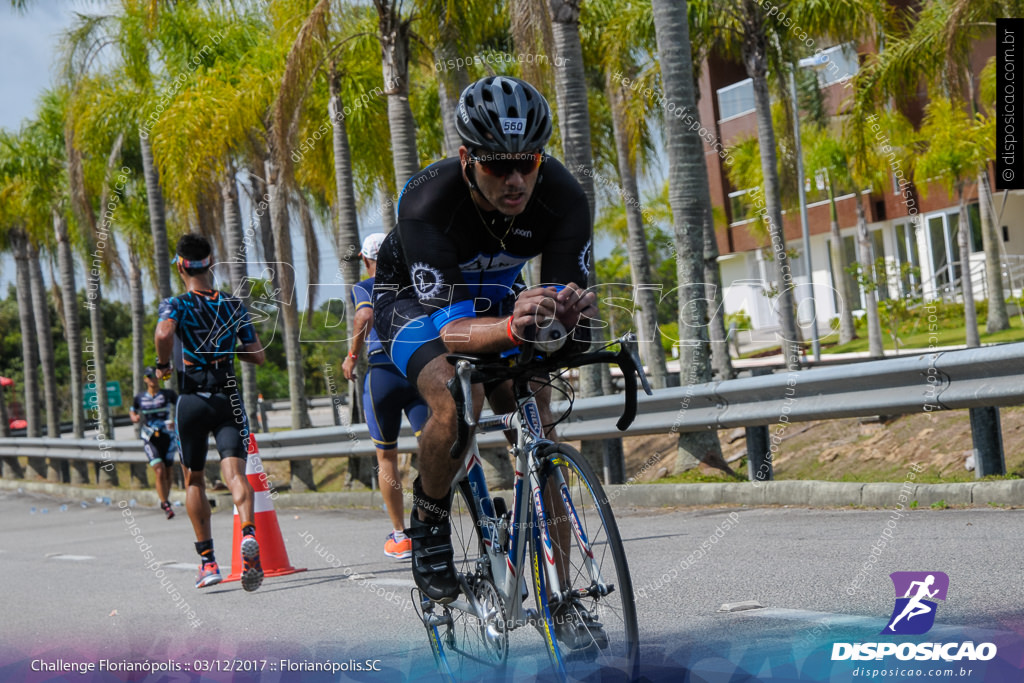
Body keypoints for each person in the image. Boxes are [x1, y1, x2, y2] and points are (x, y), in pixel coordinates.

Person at [372, 76, 598, 644]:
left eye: (527, 162)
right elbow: (450, 332)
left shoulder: (564, 197)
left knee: (537, 418)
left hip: (498, 296)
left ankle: (562, 597)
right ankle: (428, 521)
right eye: (499, 166)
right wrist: (512, 325)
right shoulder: (427, 200)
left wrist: (563, 320)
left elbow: (563, 312)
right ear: (467, 158)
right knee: (454, 395)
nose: (517, 179)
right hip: (414, 306)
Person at [154, 233, 267, 591]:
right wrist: (229, 351)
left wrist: (162, 363)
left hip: (192, 400)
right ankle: (248, 533)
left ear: (180, 265)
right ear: (210, 263)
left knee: (195, 479)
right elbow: (257, 354)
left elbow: (163, 332)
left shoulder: (177, 303)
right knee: (235, 473)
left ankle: (208, 562)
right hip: (228, 399)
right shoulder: (233, 304)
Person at [342, 232, 429, 560]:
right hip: (418, 370)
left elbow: (364, 315)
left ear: (366, 260)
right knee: (433, 445)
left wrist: (352, 355)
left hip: (383, 373)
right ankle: (430, 523)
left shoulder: (365, 286)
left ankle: (399, 536)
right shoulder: (415, 285)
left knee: (386, 457)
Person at [129, 367, 179, 519]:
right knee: (159, 469)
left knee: (168, 471)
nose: (152, 379)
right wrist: (134, 417)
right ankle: (165, 504)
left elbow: (181, 406)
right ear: (145, 379)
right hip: (149, 437)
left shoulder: (167, 394)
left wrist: (176, 423)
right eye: (148, 376)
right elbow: (132, 410)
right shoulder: (140, 397)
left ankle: (165, 498)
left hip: (167, 436)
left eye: (154, 376)